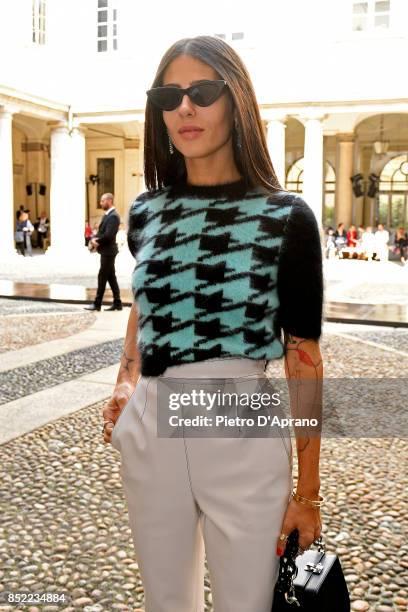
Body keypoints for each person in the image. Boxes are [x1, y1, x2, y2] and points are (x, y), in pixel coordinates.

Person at [102, 36, 324, 612]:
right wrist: (126, 379)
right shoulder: (147, 212)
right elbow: (147, 301)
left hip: (239, 420)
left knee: (245, 604)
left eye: (202, 91)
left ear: (237, 101)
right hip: (152, 423)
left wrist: (309, 493)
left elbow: (303, 353)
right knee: (165, 602)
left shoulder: (286, 218)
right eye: (169, 95)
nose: (184, 108)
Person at [85, 193, 123, 311]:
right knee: (111, 277)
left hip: (109, 251)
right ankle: (117, 303)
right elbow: (102, 232)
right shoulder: (108, 215)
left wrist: (98, 241)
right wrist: (93, 238)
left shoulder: (113, 216)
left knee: (102, 276)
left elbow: (109, 235)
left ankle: (97, 304)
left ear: (109, 201)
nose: (100, 203)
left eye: (102, 201)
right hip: (106, 251)